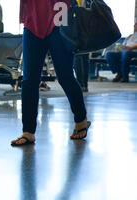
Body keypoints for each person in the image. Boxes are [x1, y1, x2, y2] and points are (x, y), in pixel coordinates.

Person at [11, 0, 90, 146]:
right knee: (29, 79)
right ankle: (28, 131)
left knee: (65, 75)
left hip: (60, 15)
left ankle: (81, 119)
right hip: (33, 18)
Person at [74, 0, 92, 92]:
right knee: (79, 57)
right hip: (76, 31)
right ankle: (81, 84)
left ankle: (84, 84)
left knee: (83, 58)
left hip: (86, 32)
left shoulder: (89, 1)